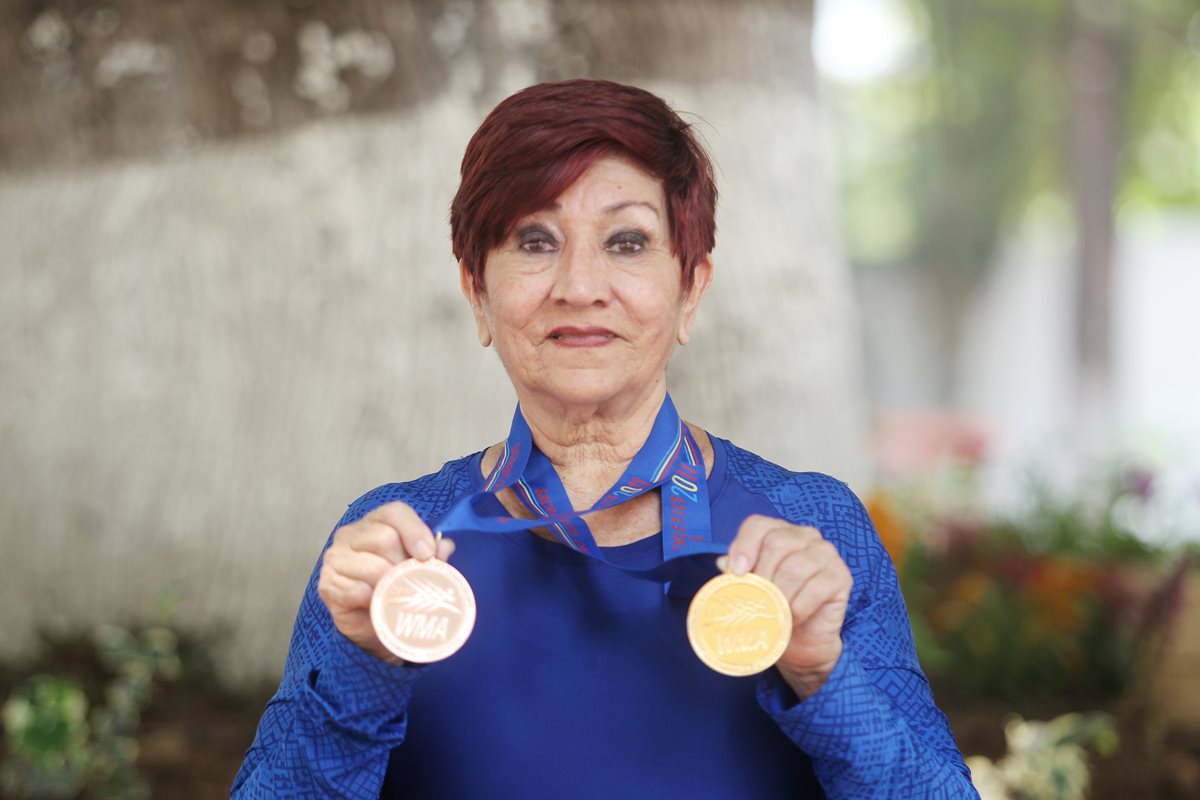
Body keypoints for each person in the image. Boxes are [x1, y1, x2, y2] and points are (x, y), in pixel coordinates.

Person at [232, 78, 978, 799]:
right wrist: (365, 664)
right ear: (477, 292)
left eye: (626, 241)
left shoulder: (812, 528)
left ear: (690, 289)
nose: (579, 285)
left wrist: (823, 676)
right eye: (534, 240)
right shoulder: (393, 550)